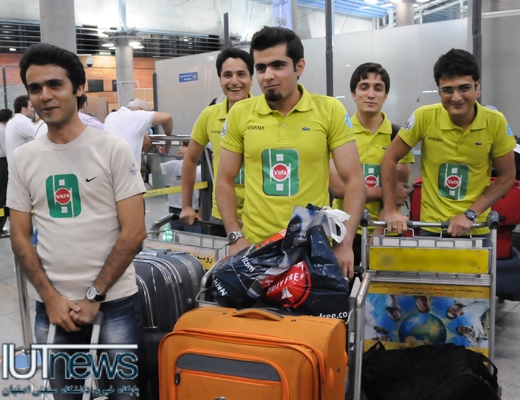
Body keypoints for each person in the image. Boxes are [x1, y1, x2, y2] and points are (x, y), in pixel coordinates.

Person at [7, 43, 147, 398]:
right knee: (64, 394)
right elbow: (20, 237)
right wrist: (50, 298)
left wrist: (94, 295)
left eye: (55, 84)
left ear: (79, 88)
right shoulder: (23, 159)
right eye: (35, 88)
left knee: (124, 394)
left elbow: (134, 232)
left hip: (113, 303)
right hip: (53, 307)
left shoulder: (112, 149)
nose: (45, 96)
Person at [216, 26, 366, 279]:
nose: (268, 76)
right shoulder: (240, 113)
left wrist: (345, 242)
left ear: (299, 67)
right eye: (261, 68)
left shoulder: (329, 110)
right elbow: (224, 179)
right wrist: (234, 236)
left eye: (278, 65)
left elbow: (354, 179)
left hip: (313, 249)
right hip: (255, 249)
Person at [381, 49, 516, 237]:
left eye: (464, 88)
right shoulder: (424, 117)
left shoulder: (496, 121)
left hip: (476, 229)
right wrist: (389, 210)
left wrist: (470, 214)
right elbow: (389, 158)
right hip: (431, 228)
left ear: (477, 87)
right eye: (447, 90)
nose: (456, 97)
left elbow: (507, 176)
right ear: (439, 91)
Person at [329, 62, 414, 266]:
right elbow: (338, 188)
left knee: (381, 288)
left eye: (378, 88)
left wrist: (377, 235)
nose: (371, 94)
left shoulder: (398, 136)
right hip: (342, 231)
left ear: (385, 96)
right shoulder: (339, 131)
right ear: (353, 94)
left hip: (385, 231)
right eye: (364, 87)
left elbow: (398, 194)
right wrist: (384, 191)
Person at [180, 47, 254, 236]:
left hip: (257, 216)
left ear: (251, 79)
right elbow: (190, 160)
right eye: (227, 75)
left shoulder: (265, 114)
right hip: (220, 216)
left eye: (241, 74)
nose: (234, 81)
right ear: (220, 80)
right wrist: (187, 206)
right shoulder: (210, 115)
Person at [104, 97, 173, 170]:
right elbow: (167, 118)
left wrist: (144, 133)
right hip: (127, 171)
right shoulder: (137, 115)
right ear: (140, 110)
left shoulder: (111, 116)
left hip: (107, 169)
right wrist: (168, 140)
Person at [161, 140, 202, 232]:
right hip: (174, 208)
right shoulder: (175, 165)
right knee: (176, 236)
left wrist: (200, 213)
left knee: (193, 237)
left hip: (194, 209)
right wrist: (160, 155)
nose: (180, 148)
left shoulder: (201, 169)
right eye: (180, 145)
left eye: (184, 146)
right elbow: (156, 169)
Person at [5, 94, 35, 166]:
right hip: (23, 166)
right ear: (23, 108)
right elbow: (41, 134)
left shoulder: (12, 121)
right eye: (31, 107)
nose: (34, 109)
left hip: (15, 165)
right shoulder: (22, 122)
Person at [0, 109, 13, 236]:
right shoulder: (4, 131)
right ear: (9, 119)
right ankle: (0, 227)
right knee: (3, 195)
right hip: (2, 163)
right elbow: (6, 149)